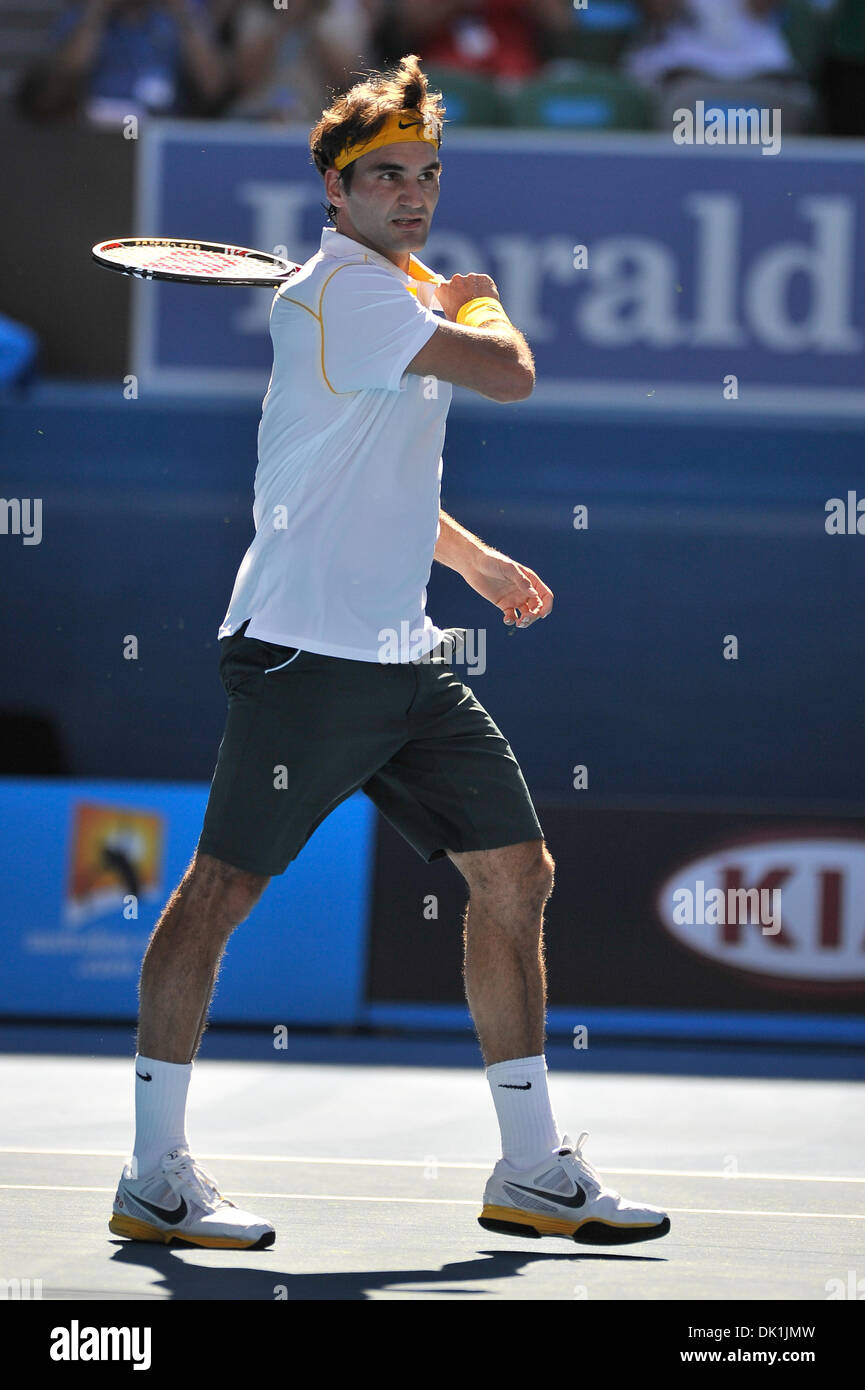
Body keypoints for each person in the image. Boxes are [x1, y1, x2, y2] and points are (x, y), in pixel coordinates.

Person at [109, 53, 671, 1251]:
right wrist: (477, 299)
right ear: (336, 187)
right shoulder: (354, 298)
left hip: (402, 657)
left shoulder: (377, 297)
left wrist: (467, 561)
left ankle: (532, 1171)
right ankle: (153, 1171)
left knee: (515, 874)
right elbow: (508, 376)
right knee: (219, 894)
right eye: (386, 178)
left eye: (426, 174)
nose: (412, 195)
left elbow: (366, 476)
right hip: (304, 656)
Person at [25, 0, 224, 124]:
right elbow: (63, 80)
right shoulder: (79, 18)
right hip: (97, 134)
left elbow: (214, 88)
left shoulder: (174, 20)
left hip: (160, 133)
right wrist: (96, 13)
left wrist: (182, 14)